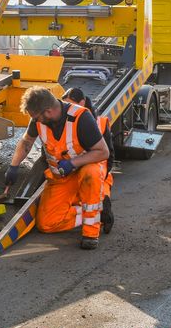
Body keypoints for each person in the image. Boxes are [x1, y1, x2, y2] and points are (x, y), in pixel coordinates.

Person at [6, 87, 110, 249]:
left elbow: (103, 152)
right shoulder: (38, 121)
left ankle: (91, 233)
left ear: (48, 111)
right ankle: (96, 211)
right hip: (61, 177)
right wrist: (13, 166)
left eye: (36, 117)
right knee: (47, 224)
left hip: (84, 170)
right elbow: (27, 142)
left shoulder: (81, 117)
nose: (35, 121)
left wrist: (73, 163)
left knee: (91, 172)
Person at [62, 87, 114, 233]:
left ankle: (101, 215)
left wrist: (101, 176)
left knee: (95, 189)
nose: (68, 109)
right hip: (75, 168)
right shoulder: (66, 121)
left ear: (82, 103)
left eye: (71, 104)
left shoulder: (99, 123)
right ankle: (90, 214)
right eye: (65, 105)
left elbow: (110, 155)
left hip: (96, 170)